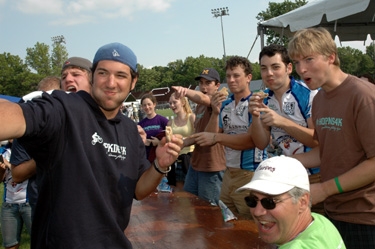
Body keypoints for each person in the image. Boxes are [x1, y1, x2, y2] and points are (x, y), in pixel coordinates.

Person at [0, 42, 182, 249]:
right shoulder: (65, 109)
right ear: (93, 76)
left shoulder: (130, 130)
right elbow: (17, 116)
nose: (111, 83)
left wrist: (159, 165)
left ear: (133, 81)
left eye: (121, 75)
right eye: (103, 73)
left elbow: (138, 190)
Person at [288, 27, 375, 248]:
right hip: (333, 211)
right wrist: (285, 164)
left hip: (365, 216)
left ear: (331, 57)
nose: (301, 69)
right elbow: (325, 151)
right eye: (296, 62)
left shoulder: (363, 95)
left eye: (309, 59)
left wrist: (325, 189)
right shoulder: (319, 100)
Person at [248, 44, 323, 214]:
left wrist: (283, 122)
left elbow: (317, 139)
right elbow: (261, 143)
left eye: (275, 67)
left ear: (289, 68)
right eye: (264, 68)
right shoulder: (266, 100)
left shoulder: (309, 94)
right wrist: (255, 116)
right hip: (287, 178)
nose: (269, 73)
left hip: (316, 176)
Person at [11, 60, 90, 219]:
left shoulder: (89, 120)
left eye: (75, 74)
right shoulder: (30, 128)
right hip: (44, 202)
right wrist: (48, 152)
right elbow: (17, 174)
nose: (47, 108)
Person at [194, 57, 267, 218]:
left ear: (248, 78)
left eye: (236, 75)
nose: (231, 80)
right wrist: (215, 112)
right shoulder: (225, 105)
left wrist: (217, 138)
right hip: (228, 174)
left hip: (250, 174)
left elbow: (250, 141)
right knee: (229, 222)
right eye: (228, 76)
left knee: (251, 225)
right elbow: (209, 137)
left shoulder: (256, 103)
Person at [237, 156, 346, 248]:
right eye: (252, 200)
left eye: (270, 202)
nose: (257, 212)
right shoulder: (320, 222)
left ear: (302, 202)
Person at [172, 68, 226, 205]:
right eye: (201, 83)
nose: (203, 86)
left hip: (211, 167)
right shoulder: (199, 107)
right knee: (192, 205)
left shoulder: (217, 101)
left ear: (217, 85)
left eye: (208, 83)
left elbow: (203, 98)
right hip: (195, 164)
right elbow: (199, 134)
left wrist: (186, 91)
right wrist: (183, 142)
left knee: (209, 212)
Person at [1, 139, 32, 249]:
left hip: (28, 203)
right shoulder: (4, 151)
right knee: (10, 245)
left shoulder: (28, 149)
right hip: (9, 204)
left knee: (40, 240)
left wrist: (8, 164)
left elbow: (19, 174)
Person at [166, 92, 195, 186]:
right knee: (178, 192)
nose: (172, 105)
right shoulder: (170, 123)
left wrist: (181, 139)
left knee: (191, 191)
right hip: (175, 160)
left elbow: (197, 136)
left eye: (174, 102)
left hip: (190, 159)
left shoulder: (192, 117)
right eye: (170, 103)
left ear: (183, 102)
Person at [138, 93, 169, 161]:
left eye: (149, 104)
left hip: (161, 157)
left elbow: (171, 137)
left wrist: (159, 142)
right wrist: (145, 141)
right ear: (142, 107)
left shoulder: (162, 120)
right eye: (144, 105)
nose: (147, 107)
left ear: (154, 104)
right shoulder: (140, 124)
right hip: (147, 157)